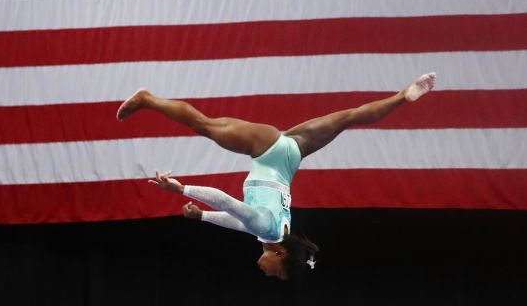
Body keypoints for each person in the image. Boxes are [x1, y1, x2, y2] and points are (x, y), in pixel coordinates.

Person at [116, 72, 436, 280]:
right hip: (266, 148)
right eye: (275, 273)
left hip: (291, 156)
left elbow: (235, 221)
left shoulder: (277, 230)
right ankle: (148, 99)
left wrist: (201, 218)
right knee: (204, 125)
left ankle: (401, 96)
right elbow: (228, 202)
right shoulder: (266, 228)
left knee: (348, 118)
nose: (266, 273)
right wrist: (182, 189)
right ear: (281, 255)